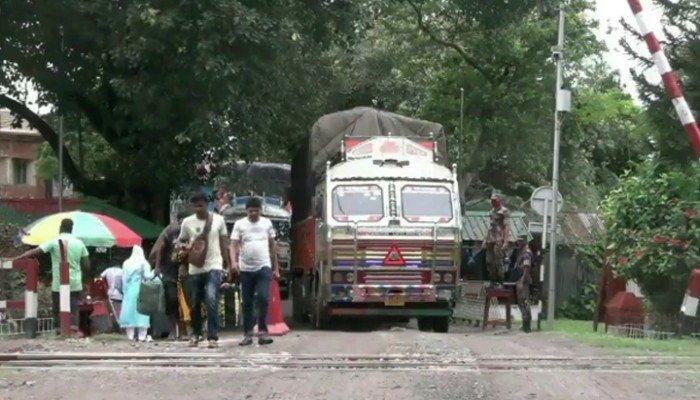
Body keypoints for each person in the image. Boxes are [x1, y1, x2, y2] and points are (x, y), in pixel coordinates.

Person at [13, 218, 89, 337]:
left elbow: (36, 252)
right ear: (71, 229)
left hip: (59, 282)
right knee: (73, 306)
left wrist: (18, 258)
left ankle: (59, 331)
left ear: (60, 227)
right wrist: (84, 278)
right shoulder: (79, 243)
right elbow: (86, 264)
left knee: (57, 307)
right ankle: (73, 331)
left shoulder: (54, 241)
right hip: (75, 281)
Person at [179, 191, 230, 348]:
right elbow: (181, 242)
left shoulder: (218, 220)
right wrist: (184, 249)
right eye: (195, 206)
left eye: (201, 205)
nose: (198, 209)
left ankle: (212, 337)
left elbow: (223, 243)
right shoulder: (187, 223)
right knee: (194, 302)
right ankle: (196, 333)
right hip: (195, 268)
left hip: (214, 265)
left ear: (206, 204)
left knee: (211, 298)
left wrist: (227, 264)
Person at [230, 196, 280, 346]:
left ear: (260, 211)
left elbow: (272, 247)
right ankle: (248, 333)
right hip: (245, 269)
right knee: (247, 302)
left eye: (256, 211)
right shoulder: (239, 224)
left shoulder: (267, 224)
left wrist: (276, 268)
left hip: (264, 266)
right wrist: (233, 262)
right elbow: (233, 245)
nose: (253, 214)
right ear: (246, 211)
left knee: (263, 298)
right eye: (251, 211)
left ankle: (263, 332)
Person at [153, 211, 189, 340]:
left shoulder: (192, 233)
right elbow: (159, 249)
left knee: (185, 302)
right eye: (180, 220)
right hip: (169, 272)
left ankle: (184, 331)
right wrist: (157, 267)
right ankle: (173, 330)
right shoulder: (170, 232)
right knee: (171, 300)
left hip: (185, 273)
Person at [118, 245, 154, 342]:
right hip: (141, 289)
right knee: (142, 312)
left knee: (129, 311)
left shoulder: (126, 263)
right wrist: (155, 272)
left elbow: (124, 278)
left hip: (129, 290)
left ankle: (130, 336)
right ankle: (142, 336)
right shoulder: (144, 263)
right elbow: (148, 276)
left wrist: (124, 290)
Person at [483, 193, 510, 287]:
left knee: (498, 261)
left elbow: (506, 226)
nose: (493, 202)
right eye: (492, 200)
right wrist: (485, 240)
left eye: (495, 200)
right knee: (489, 261)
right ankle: (492, 281)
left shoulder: (504, 211)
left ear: (499, 200)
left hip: (499, 238)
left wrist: (506, 241)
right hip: (491, 238)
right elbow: (490, 227)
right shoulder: (491, 211)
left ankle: (500, 281)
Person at [514, 235, 533, 333]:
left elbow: (526, 267)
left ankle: (527, 326)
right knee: (521, 302)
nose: (519, 243)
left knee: (524, 302)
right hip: (521, 278)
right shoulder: (521, 252)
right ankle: (525, 325)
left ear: (525, 242)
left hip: (524, 279)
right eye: (518, 241)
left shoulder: (526, 253)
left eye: (521, 241)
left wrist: (521, 281)